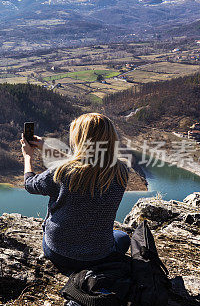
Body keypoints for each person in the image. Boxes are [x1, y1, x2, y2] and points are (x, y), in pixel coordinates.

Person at [21, 113, 131, 275]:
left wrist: (27, 157)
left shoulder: (63, 172)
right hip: (98, 256)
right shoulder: (121, 171)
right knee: (123, 238)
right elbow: (85, 164)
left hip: (58, 252)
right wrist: (47, 148)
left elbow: (30, 184)